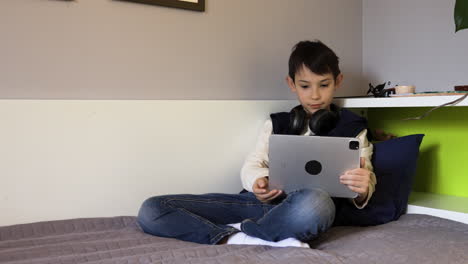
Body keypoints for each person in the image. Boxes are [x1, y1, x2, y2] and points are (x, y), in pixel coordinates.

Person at [137, 40, 377, 248]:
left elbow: (366, 180)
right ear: (292, 84)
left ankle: (249, 232)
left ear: (338, 81)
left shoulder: (353, 128)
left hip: (307, 209)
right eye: (305, 86)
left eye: (324, 85)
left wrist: (362, 189)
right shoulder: (277, 123)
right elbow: (252, 164)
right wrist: (259, 182)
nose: (315, 95)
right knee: (153, 209)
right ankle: (240, 238)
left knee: (317, 202)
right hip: (260, 204)